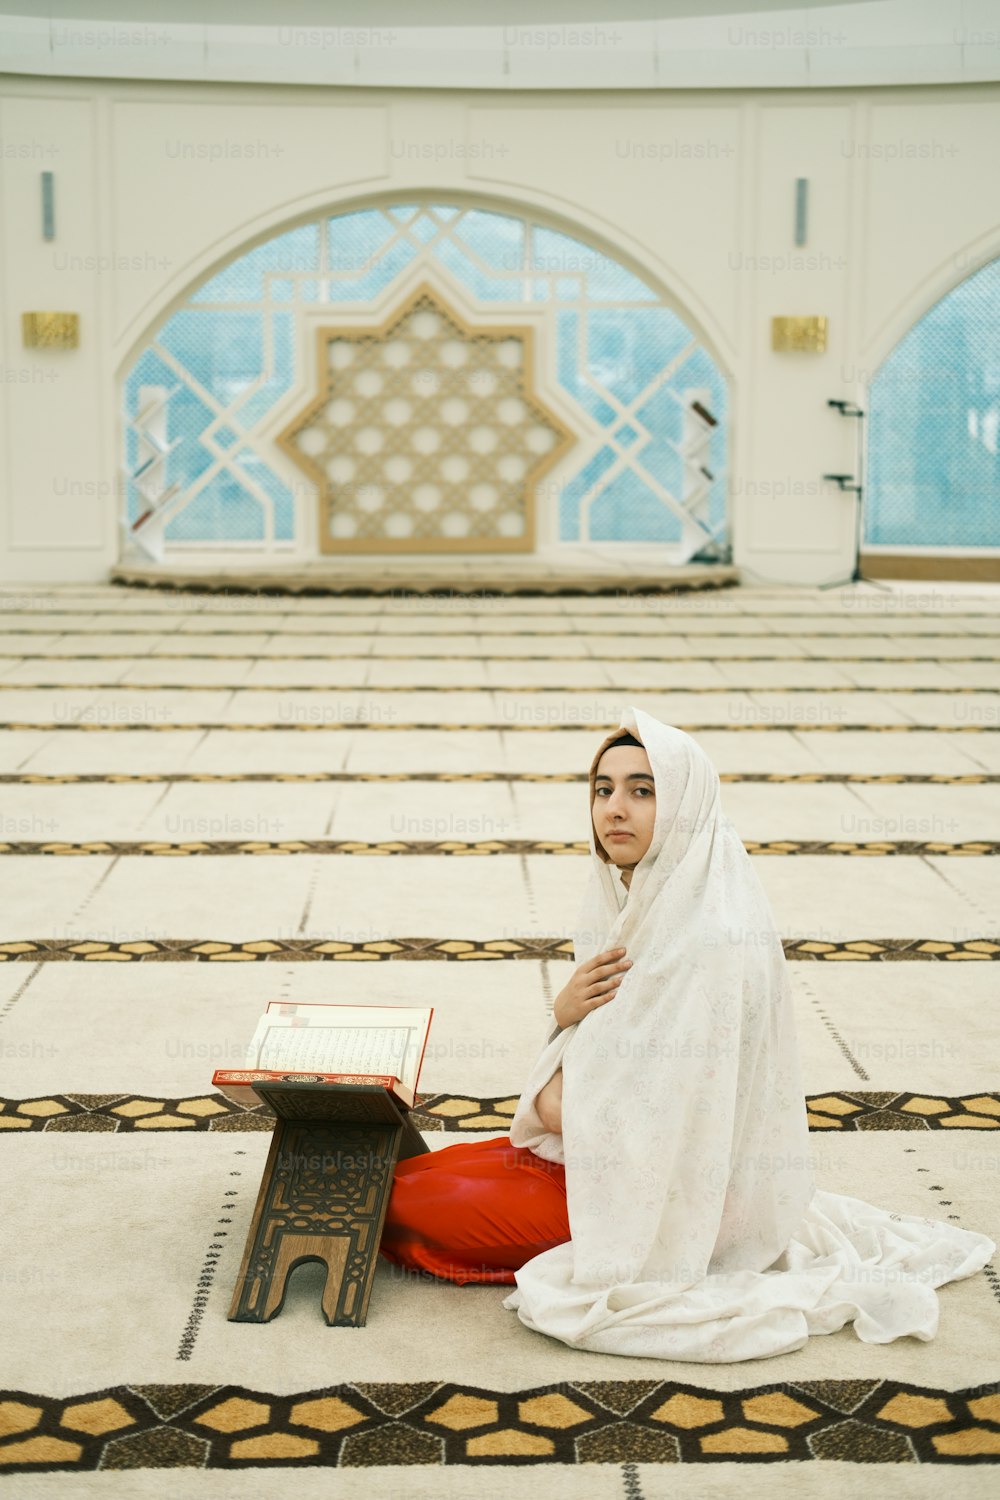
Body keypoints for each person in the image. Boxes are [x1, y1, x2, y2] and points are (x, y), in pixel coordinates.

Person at [381, 706, 996, 1361]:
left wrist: (557, 1089)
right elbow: (610, 1075)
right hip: (608, 1168)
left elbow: (647, 1116)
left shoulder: (710, 943)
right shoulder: (657, 905)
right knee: (421, 1169)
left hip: (664, 1206)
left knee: (399, 1204)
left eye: (644, 790)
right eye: (604, 789)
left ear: (688, 805)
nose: (616, 808)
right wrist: (564, 1017)